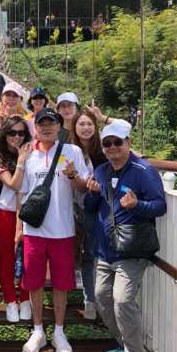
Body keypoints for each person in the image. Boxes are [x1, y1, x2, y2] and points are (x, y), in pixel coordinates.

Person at [85, 119, 166, 352]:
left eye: (117, 142)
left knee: (122, 300)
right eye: (107, 143)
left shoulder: (144, 171)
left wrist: (136, 205)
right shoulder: (100, 171)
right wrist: (92, 194)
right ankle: (123, 343)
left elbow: (159, 206)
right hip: (105, 249)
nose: (112, 147)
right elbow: (89, 207)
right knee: (100, 297)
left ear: (128, 143)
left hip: (131, 250)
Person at [17, 108, 88, 352]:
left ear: (59, 126)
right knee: (34, 283)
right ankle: (38, 331)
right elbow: (21, 193)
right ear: (35, 127)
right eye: (41, 123)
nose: (46, 127)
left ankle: (59, 331)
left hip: (63, 230)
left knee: (61, 284)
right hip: (34, 231)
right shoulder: (28, 154)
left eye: (51, 122)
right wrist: (19, 228)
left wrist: (73, 175)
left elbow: (84, 187)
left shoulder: (73, 152)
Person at [0, 116, 32, 322]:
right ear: (4, 135)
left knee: (29, 258)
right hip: (6, 212)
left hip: (32, 213)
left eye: (21, 133)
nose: (17, 137)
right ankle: (9, 299)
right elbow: (15, 185)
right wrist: (22, 161)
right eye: (12, 133)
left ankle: (25, 298)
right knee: (7, 257)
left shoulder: (34, 153)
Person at [70, 110, 106, 320]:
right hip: (70, 207)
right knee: (70, 252)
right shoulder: (68, 150)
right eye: (81, 124)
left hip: (93, 208)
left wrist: (104, 118)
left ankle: (90, 299)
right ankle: (67, 292)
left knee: (90, 254)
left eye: (89, 124)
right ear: (74, 127)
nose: (85, 128)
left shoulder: (103, 151)